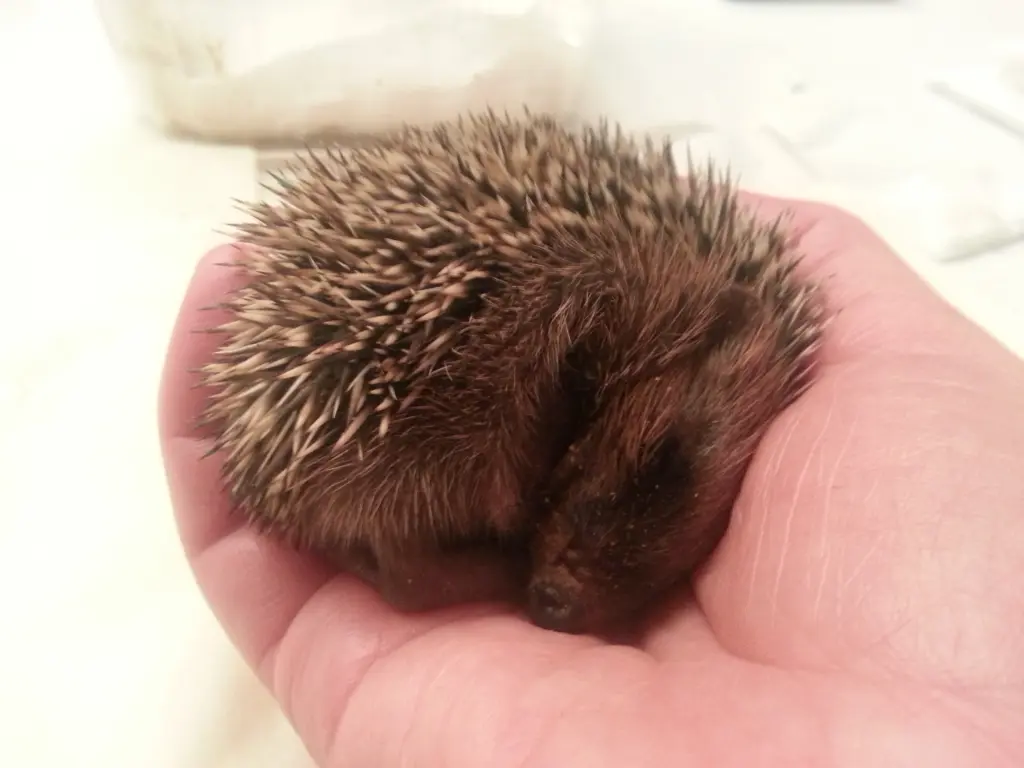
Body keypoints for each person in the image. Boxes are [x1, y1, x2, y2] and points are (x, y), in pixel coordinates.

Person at [158, 193, 1024, 766]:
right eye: (657, 471)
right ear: (718, 324)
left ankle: (406, 546)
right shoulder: (626, 288)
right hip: (434, 405)